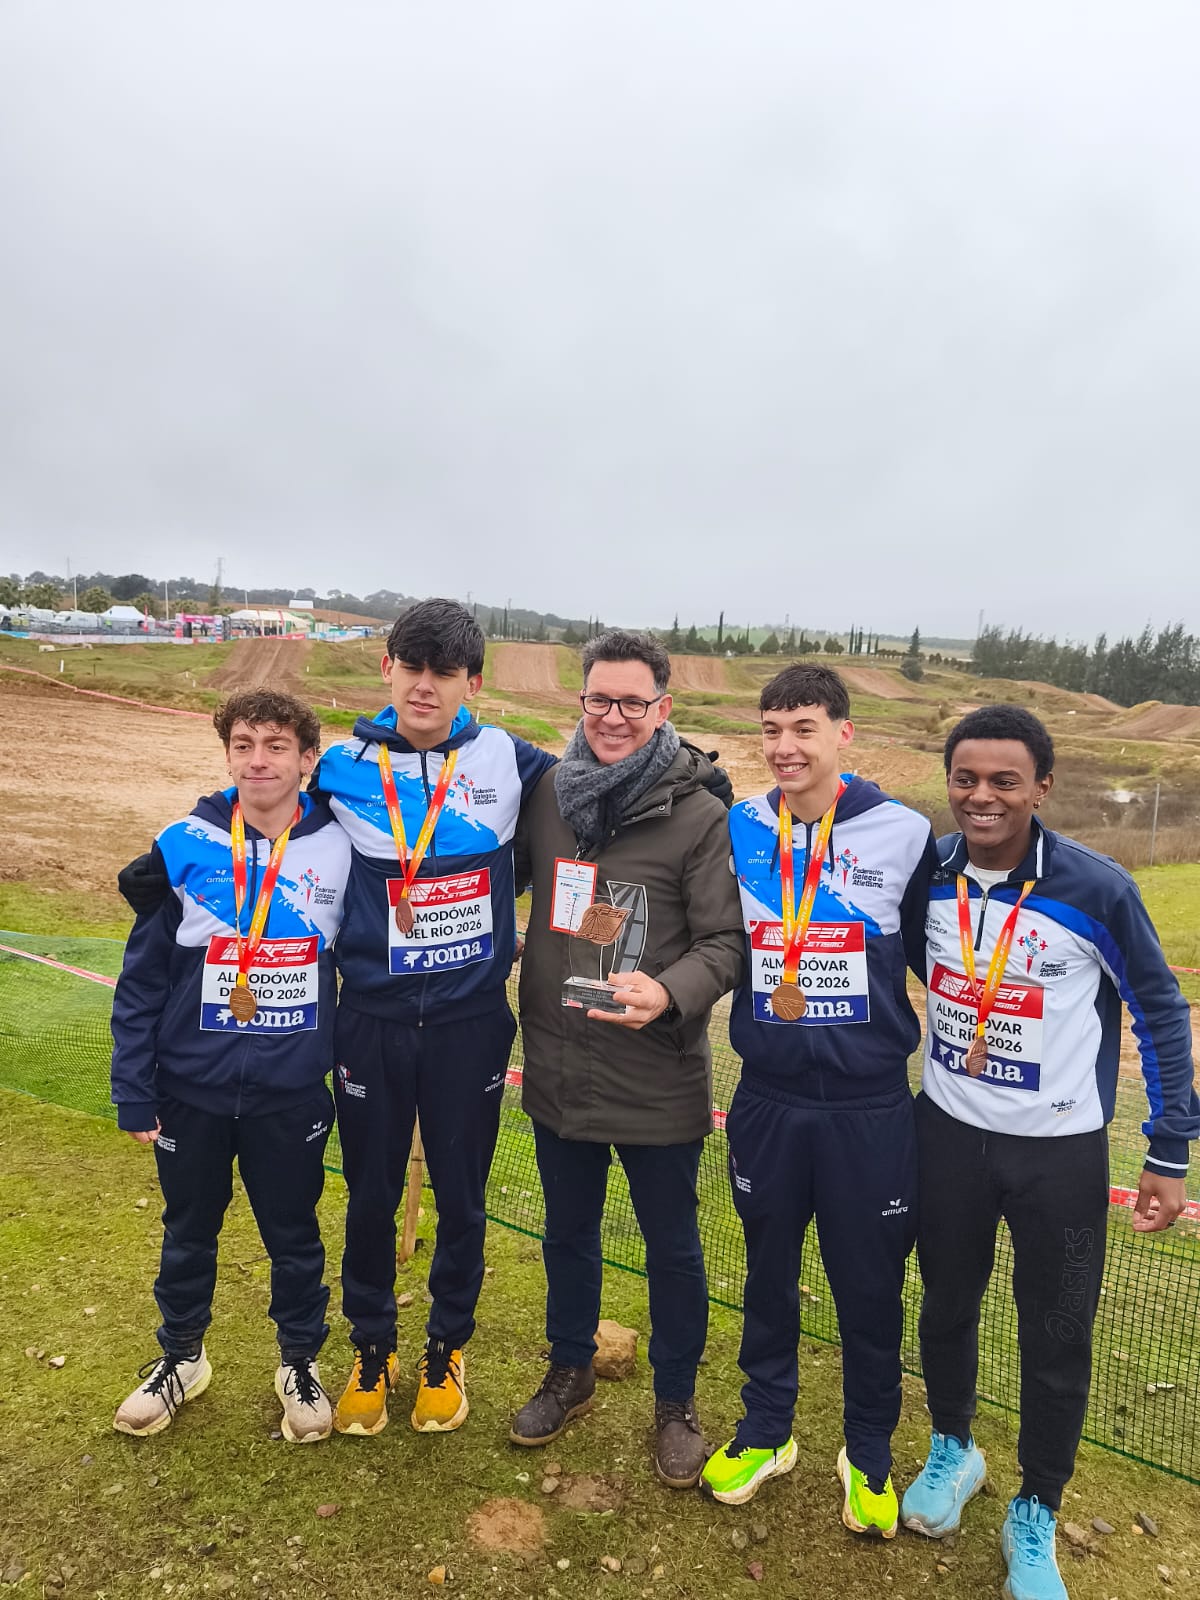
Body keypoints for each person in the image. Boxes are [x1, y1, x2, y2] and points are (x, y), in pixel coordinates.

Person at [900, 705, 1198, 1600]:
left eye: (1004, 781)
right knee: (946, 1305)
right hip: (947, 1136)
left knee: (1057, 1338)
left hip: (1060, 1160)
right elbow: (925, 970)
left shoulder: (1097, 887)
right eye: (965, 778)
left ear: (1042, 788)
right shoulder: (930, 876)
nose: (981, 797)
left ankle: (1036, 1507)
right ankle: (954, 1448)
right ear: (948, 781)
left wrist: (1170, 1148)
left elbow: (1161, 1013)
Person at [309, 599, 556, 1436]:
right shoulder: (339, 766)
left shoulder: (510, 760)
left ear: (471, 683)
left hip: (469, 1023)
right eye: (411, 668)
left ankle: (447, 1347)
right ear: (387, 669)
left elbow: (601, 790)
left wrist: (693, 775)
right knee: (370, 1195)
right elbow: (257, 800)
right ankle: (371, 1347)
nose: (424, 686)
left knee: (462, 1195)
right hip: (371, 1020)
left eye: (443, 673)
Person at [703, 664, 937, 1537]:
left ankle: (868, 1449)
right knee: (767, 1274)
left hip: (870, 1106)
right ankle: (767, 1429)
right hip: (766, 1096)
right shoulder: (743, 824)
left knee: (869, 1286)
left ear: (844, 733)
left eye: (803, 727)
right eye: (770, 730)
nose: (784, 747)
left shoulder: (905, 833)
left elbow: (939, 961)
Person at [507, 629, 743, 1488]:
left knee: (671, 1247)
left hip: (655, 1073)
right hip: (561, 1069)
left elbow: (725, 943)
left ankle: (676, 1404)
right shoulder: (547, 799)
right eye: (598, 700)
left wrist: (670, 990)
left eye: (631, 703)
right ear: (580, 702)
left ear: (662, 710)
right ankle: (570, 1371)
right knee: (567, 1234)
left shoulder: (699, 813)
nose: (612, 717)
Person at [110, 690, 351, 1442]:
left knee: (294, 1235)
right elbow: (143, 977)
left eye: (277, 745)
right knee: (187, 1231)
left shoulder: (343, 845)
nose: (258, 759)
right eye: (243, 743)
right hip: (192, 1089)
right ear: (226, 754)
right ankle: (180, 1358)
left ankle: (299, 1362)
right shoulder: (184, 841)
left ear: (308, 759)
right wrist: (133, 1088)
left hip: (289, 1091)